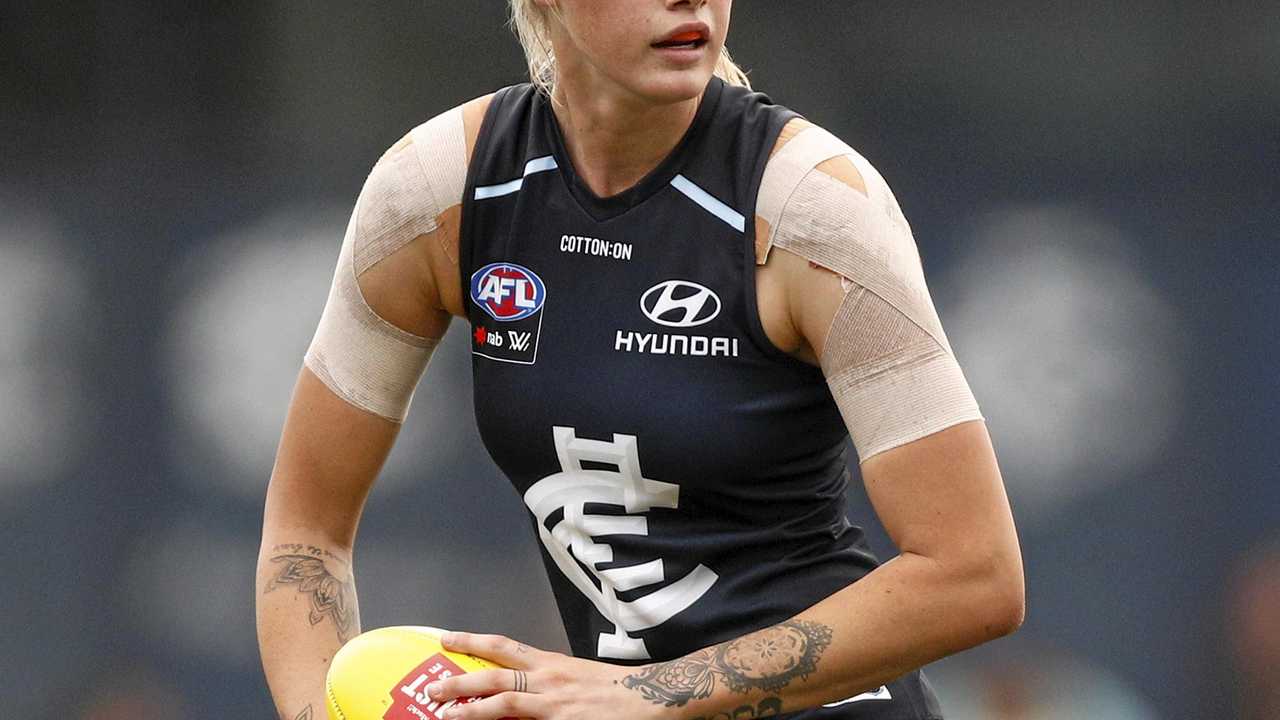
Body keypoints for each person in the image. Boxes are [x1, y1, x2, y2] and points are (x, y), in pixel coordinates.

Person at [256, 2, 1025, 719]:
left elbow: (975, 576)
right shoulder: (441, 191)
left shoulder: (810, 209)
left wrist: (651, 694)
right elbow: (305, 533)